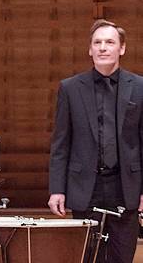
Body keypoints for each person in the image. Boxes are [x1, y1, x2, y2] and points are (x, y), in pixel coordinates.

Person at [49, 19, 140, 263]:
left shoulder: (140, 87)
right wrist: (57, 188)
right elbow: (61, 143)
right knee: (90, 257)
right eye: (97, 42)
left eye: (109, 42)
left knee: (123, 258)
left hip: (126, 186)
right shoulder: (70, 88)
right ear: (89, 49)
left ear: (121, 48)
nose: (102, 47)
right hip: (86, 186)